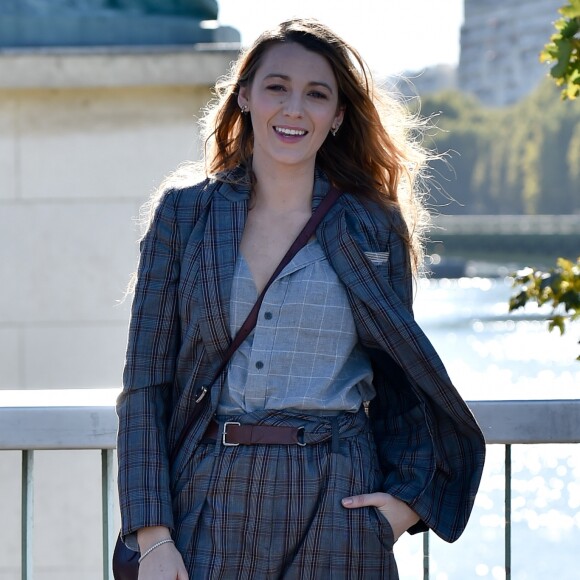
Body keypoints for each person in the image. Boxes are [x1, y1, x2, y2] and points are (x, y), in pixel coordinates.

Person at [116, 17, 486, 580]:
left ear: (337, 117)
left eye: (316, 95)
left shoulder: (371, 225)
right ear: (245, 96)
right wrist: (153, 536)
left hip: (338, 500)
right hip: (209, 497)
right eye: (276, 87)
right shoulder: (184, 216)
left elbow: (404, 380)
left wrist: (402, 506)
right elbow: (146, 387)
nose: (294, 109)